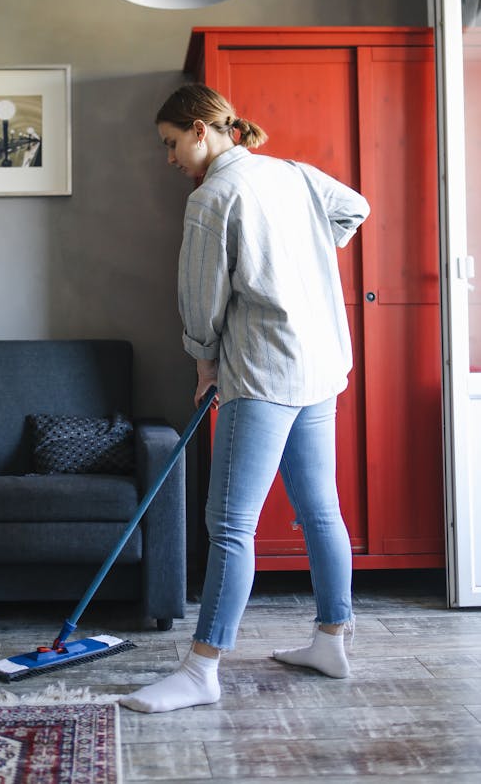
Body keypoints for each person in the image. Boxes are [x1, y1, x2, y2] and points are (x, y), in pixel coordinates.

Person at [120, 83, 370, 714]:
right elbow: (356, 209)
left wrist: (204, 363)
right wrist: (303, 258)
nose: (170, 157)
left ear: (202, 129)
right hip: (319, 366)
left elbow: (201, 301)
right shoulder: (294, 173)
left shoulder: (213, 197)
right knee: (321, 510)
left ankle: (202, 670)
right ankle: (332, 640)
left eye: (172, 143)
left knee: (231, 525)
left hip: (261, 373)